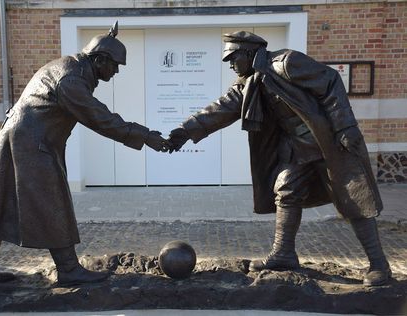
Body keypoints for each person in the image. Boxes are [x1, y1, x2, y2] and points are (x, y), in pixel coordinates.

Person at [167, 31, 391, 286]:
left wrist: (345, 127)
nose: (230, 64)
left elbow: (330, 80)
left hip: (329, 143)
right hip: (298, 150)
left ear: (249, 52)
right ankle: (283, 254)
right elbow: (221, 108)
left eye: (233, 58)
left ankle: (379, 265)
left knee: (353, 200)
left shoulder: (286, 63)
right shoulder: (249, 82)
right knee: (286, 189)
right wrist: (185, 131)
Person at [0, 22, 169, 286]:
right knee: (53, 201)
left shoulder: (73, 68)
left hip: (17, 138)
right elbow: (99, 118)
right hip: (30, 145)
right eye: (115, 65)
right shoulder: (71, 79)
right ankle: (69, 269)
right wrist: (145, 136)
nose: (116, 71)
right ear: (100, 59)